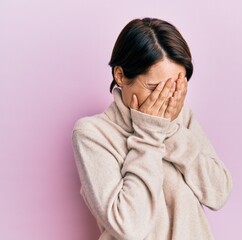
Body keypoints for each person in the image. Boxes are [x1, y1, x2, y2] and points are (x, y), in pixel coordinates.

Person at [72, 17, 233, 240]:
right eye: (154, 88)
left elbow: (218, 193)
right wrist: (149, 133)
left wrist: (171, 129)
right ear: (120, 75)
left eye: (174, 87)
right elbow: (130, 227)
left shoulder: (179, 118)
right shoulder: (93, 134)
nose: (166, 98)